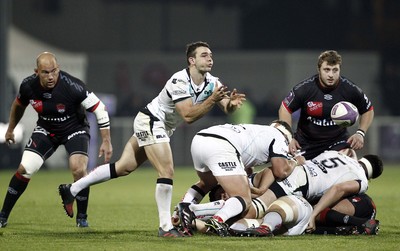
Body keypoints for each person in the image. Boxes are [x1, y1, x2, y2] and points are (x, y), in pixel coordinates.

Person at [58, 41, 246, 237]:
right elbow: (188, 116)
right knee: (166, 170)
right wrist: (213, 100)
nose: (210, 59)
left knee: (123, 167)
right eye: (204, 55)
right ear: (192, 60)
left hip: (161, 126)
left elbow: (225, 106)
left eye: (211, 56)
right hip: (150, 120)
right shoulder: (179, 81)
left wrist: (231, 104)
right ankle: (165, 227)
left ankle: (71, 189)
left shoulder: (213, 82)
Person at [0, 52, 113, 228]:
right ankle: (2, 216)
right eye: (45, 72)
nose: (51, 76)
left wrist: (106, 140)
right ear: (36, 72)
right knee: (24, 169)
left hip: (75, 129)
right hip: (46, 129)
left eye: (54, 71)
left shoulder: (73, 86)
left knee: (78, 169)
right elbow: (18, 105)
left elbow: (100, 109)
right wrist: (10, 129)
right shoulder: (28, 85)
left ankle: (82, 217)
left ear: (58, 69)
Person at [175, 120, 301, 237]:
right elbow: (281, 170)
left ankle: (177, 214)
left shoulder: (260, 131)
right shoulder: (279, 137)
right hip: (222, 145)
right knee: (244, 199)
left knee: (207, 183)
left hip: (200, 138)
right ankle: (215, 219)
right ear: (288, 137)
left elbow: (244, 168)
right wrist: (295, 161)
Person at [240, 150, 383, 236]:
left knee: (242, 192)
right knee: (253, 210)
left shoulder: (336, 153)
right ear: (371, 177)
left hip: (293, 170)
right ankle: (223, 218)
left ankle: (227, 206)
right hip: (301, 183)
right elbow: (338, 189)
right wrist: (314, 215)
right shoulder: (362, 179)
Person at [279, 50, 375, 160]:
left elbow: (368, 110)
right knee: (289, 171)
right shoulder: (305, 88)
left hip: (337, 143)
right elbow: (284, 109)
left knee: (350, 167)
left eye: (335, 70)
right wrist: (289, 137)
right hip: (306, 144)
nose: (331, 75)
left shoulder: (350, 89)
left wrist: (360, 133)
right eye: (327, 70)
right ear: (319, 70)